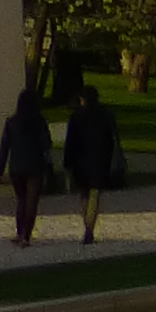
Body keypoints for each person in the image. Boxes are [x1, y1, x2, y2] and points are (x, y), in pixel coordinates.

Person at [59, 82, 124, 246]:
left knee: (84, 195)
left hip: (80, 160)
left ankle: (88, 227)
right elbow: (112, 138)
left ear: (82, 99)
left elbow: (70, 142)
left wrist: (67, 162)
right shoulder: (106, 114)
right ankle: (89, 229)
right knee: (95, 194)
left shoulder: (76, 117)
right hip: (100, 159)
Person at [0, 84, 58, 244]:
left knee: (21, 200)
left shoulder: (11, 122)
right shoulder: (39, 122)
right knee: (32, 202)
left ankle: (19, 231)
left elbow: (4, 146)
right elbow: (46, 144)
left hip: (16, 166)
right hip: (35, 165)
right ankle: (26, 235)